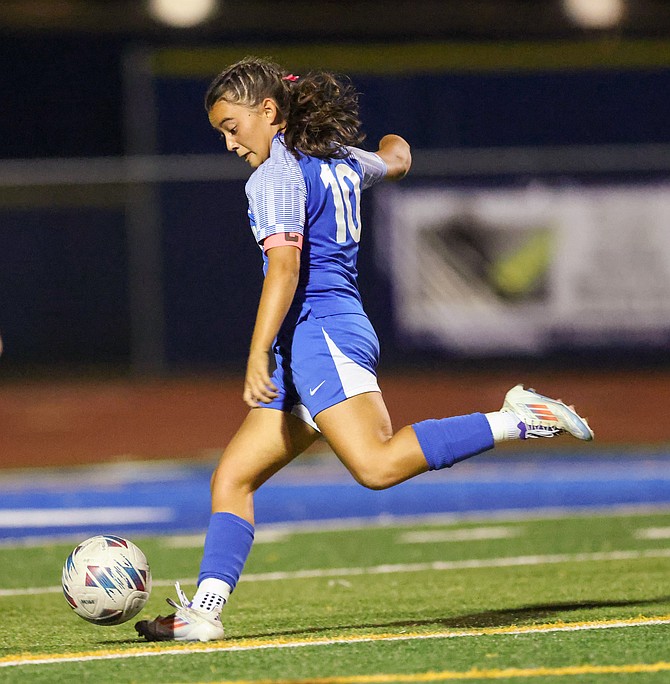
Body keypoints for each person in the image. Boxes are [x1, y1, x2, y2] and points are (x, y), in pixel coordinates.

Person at [135, 57, 594, 642]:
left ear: (269, 112)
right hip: (318, 335)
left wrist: (255, 355)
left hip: (318, 331)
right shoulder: (337, 159)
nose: (228, 142)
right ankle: (205, 612)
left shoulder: (275, 175)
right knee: (233, 479)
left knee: (375, 464)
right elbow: (396, 159)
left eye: (232, 125)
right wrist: (392, 145)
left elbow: (284, 266)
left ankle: (515, 419)